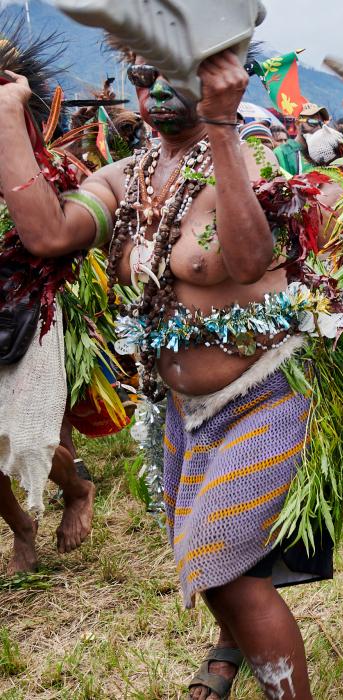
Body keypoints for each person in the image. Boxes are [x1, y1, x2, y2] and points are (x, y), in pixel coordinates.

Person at [0, 37, 343, 698]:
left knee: (227, 568)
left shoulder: (256, 160)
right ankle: (229, 646)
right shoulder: (130, 177)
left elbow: (243, 260)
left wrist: (225, 127)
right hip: (182, 410)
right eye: (143, 78)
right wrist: (8, 117)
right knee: (207, 558)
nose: (153, 95)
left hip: (269, 395)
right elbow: (48, 234)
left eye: (173, 77)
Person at [0, 20, 99, 575]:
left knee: (29, 435)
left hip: (27, 311)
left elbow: (54, 236)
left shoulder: (40, 160)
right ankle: (22, 527)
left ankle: (75, 488)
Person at [273, 101, 329, 175]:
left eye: (322, 123)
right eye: (313, 121)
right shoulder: (281, 153)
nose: (319, 127)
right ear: (298, 124)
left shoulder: (326, 153)